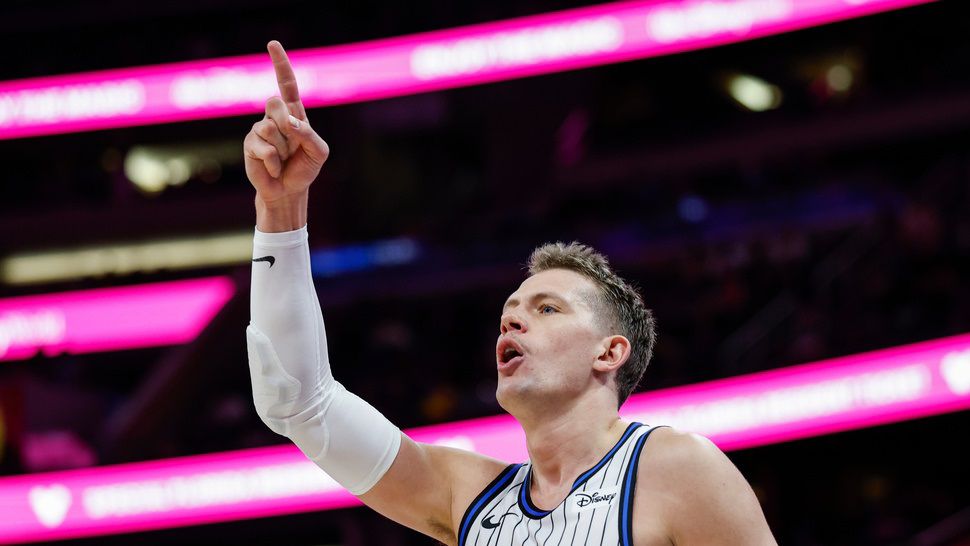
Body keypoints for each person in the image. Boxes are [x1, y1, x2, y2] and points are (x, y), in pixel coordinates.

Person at [244, 40, 777, 546]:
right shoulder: (466, 496)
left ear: (609, 352)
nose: (513, 322)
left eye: (547, 308)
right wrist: (280, 208)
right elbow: (297, 400)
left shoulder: (676, 467)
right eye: (509, 313)